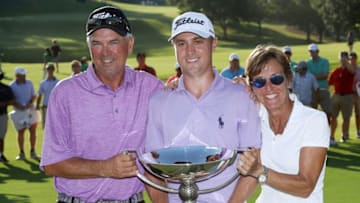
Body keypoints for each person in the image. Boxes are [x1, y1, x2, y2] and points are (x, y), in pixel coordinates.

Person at [40, 6, 163, 203]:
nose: (105, 53)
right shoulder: (65, 93)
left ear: (129, 44)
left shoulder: (150, 87)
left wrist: (231, 89)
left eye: (114, 42)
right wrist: (105, 168)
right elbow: (51, 164)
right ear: (89, 48)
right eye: (97, 44)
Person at [145, 11, 261, 203]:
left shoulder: (241, 96)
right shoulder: (158, 102)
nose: (189, 51)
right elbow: (152, 169)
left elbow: (253, 165)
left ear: (213, 43)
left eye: (198, 41)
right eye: (181, 43)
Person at [235, 45, 329, 203]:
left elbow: (305, 186)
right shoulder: (256, 118)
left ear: (289, 79)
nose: (269, 88)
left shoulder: (314, 120)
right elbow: (249, 177)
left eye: (276, 79)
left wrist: (259, 171)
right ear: (252, 87)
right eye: (259, 82)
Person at [9, 67, 41, 161]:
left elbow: (33, 95)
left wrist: (30, 103)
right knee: (20, 132)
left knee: (33, 131)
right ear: (17, 76)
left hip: (30, 110)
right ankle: (21, 153)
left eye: (24, 75)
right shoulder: (12, 86)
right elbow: (11, 100)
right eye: (22, 75)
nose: (24, 76)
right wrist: (19, 106)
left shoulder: (29, 82)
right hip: (19, 112)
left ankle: (33, 152)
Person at [328, 51, 355, 144]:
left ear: (347, 58)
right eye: (341, 57)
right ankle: (331, 136)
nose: (342, 59)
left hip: (347, 96)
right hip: (336, 95)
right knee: (333, 117)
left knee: (346, 117)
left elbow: (352, 71)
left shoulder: (349, 69)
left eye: (344, 57)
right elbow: (329, 83)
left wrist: (346, 62)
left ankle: (344, 135)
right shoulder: (335, 71)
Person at [307, 43, 332, 124]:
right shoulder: (308, 63)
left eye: (313, 51)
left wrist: (312, 77)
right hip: (312, 91)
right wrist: (317, 76)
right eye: (310, 51)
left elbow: (325, 75)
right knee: (312, 113)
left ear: (317, 52)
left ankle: (327, 132)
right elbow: (308, 77)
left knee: (328, 112)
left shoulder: (324, 61)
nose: (311, 53)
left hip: (323, 90)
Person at [36, 63, 59, 129]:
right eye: (48, 69)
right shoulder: (43, 82)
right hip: (45, 107)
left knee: (55, 126)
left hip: (55, 107)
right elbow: (40, 94)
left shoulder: (58, 82)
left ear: (53, 70)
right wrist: (37, 105)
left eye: (51, 69)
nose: (50, 71)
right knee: (46, 127)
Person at [0, 71, 15, 163]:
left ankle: (1, 154)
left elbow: (12, 100)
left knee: (1, 137)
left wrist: (4, 103)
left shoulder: (6, 88)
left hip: (2, 114)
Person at [351, 52, 360, 139]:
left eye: (353, 59)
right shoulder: (346, 70)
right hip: (348, 94)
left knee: (358, 114)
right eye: (350, 59)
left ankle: (358, 131)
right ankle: (345, 134)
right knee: (347, 115)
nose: (352, 60)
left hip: (357, 95)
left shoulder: (359, 70)